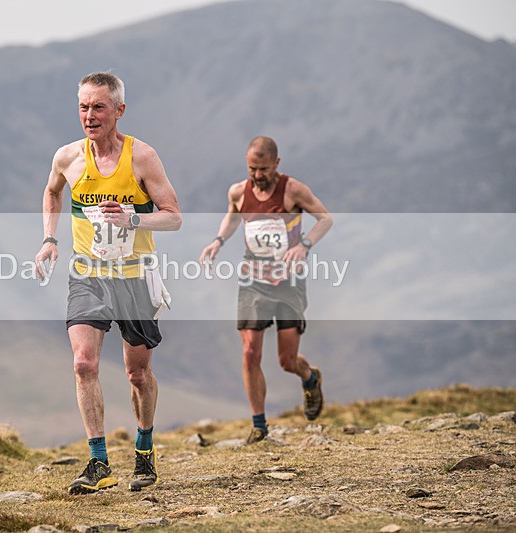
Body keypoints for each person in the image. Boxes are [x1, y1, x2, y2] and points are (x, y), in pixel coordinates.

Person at [35, 71, 181, 494]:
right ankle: (99, 461)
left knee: (137, 373)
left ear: (119, 110)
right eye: (83, 106)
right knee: (84, 364)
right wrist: (49, 238)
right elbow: (52, 191)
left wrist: (133, 218)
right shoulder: (68, 157)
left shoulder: (142, 158)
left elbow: (173, 215)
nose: (89, 115)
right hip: (88, 274)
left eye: (99, 106)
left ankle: (145, 448)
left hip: (134, 275)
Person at [199, 136, 333, 443]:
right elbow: (233, 214)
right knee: (249, 352)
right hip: (253, 281)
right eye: (251, 168)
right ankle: (259, 426)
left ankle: (310, 377)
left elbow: (325, 219)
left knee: (287, 361)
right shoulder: (238, 191)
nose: (257, 175)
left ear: (276, 163)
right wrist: (218, 241)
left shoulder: (293, 190)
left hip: (289, 281)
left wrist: (305, 245)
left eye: (262, 169)